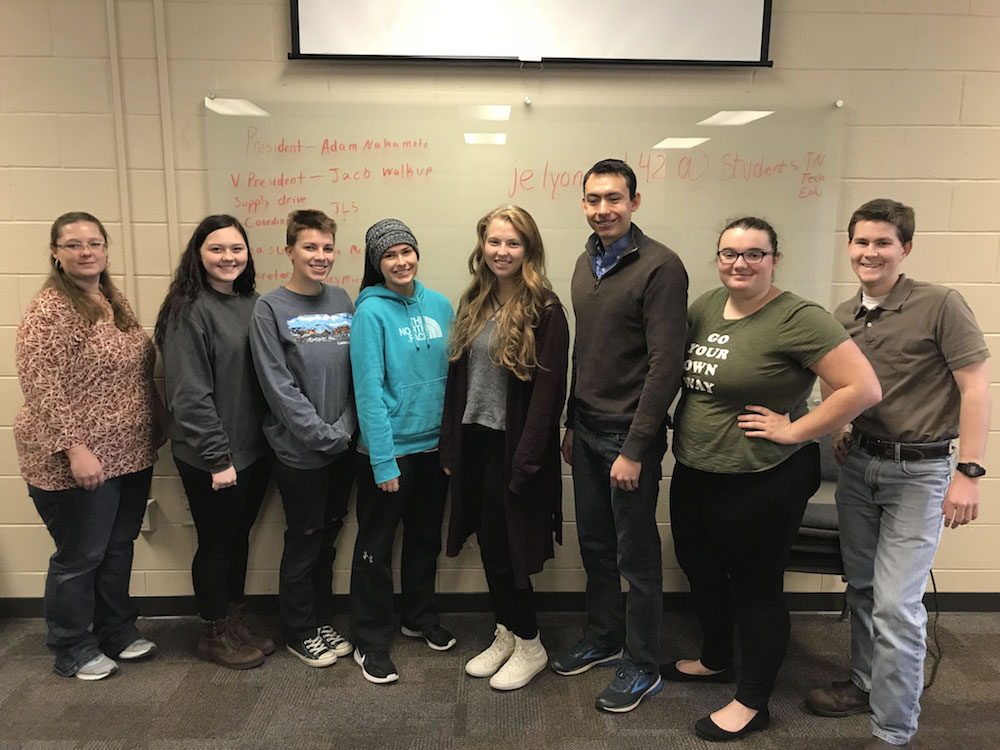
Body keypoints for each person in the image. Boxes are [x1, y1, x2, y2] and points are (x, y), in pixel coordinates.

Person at [664, 217, 882, 742]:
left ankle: (753, 700)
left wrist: (794, 430)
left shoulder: (798, 317)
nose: (740, 263)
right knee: (702, 570)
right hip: (697, 470)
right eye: (729, 253)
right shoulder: (706, 308)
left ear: (773, 259)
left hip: (762, 478)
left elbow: (863, 387)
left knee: (757, 589)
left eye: (754, 254)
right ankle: (717, 659)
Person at [805, 199, 991, 750]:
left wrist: (970, 473)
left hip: (922, 470)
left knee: (895, 604)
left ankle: (892, 731)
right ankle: (864, 682)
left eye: (883, 242)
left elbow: (976, 387)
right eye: (862, 242)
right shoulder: (843, 315)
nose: (871, 252)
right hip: (861, 465)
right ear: (850, 247)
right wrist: (842, 427)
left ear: (904, 248)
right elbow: (842, 383)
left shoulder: (940, 304)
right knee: (861, 588)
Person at [549, 158, 688, 713]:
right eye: (593, 199)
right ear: (583, 204)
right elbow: (585, 351)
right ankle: (604, 639)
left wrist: (634, 448)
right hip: (585, 432)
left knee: (636, 556)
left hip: (628, 438)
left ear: (634, 201)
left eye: (613, 198)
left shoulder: (661, 267)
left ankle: (643, 663)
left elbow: (666, 365)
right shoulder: (588, 261)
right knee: (596, 547)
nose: (602, 209)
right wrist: (569, 420)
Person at [15, 212, 163, 680]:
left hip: (130, 453)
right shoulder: (49, 310)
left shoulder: (110, 298)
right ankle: (72, 644)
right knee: (80, 556)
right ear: (56, 252)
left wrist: (156, 423)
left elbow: (134, 368)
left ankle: (115, 629)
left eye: (94, 243)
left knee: (118, 547)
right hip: (77, 461)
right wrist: (74, 448)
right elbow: (41, 385)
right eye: (73, 244)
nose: (86, 252)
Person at [440, 206, 569, 691]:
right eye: (494, 242)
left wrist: (528, 461)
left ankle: (532, 644)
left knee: (507, 551)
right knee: (488, 545)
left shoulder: (546, 310)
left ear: (528, 249)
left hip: (514, 449)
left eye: (513, 243)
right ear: (482, 246)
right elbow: (458, 384)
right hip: (474, 442)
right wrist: (451, 447)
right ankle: (507, 632)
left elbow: (547, 396)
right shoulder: (474, 301)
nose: (502, 251)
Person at [155, 215, 272, 670]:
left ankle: (233, 621)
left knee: (238, 537)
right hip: (213, 456)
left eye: (236, 249)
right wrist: (217, 458)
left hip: (252, 449)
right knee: (217, 542)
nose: (228, 258)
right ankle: (212, 632)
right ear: (198, 255)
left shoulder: (251, 303)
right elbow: (189, 393)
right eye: (217, 249)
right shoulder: (188, 309)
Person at [349, 218, 456, 685]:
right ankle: (369, 639)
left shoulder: (441, 304)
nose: (400, 261)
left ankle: (418, 616)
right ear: (377, 263)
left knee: (425, 539)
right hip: (390, 451)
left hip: (434, 448)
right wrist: (383, 459)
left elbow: (454, 380)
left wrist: (452, 445)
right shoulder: (370, 313)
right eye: (389, 255)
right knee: (375, 546)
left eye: (406, 251)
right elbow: (368, 390)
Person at [249, 209, 357, 668]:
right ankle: (299, 629)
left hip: (343, 445)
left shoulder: (343, 299)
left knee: (330, 535)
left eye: (327, 247)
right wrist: (321, 435)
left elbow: (357, 373)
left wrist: (346, 429)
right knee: (305, 538)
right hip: (299, 452)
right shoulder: (270, 308)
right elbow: (278, 387)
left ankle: (320, 617)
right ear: (288, 250)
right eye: (309, 247)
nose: (320, 256)